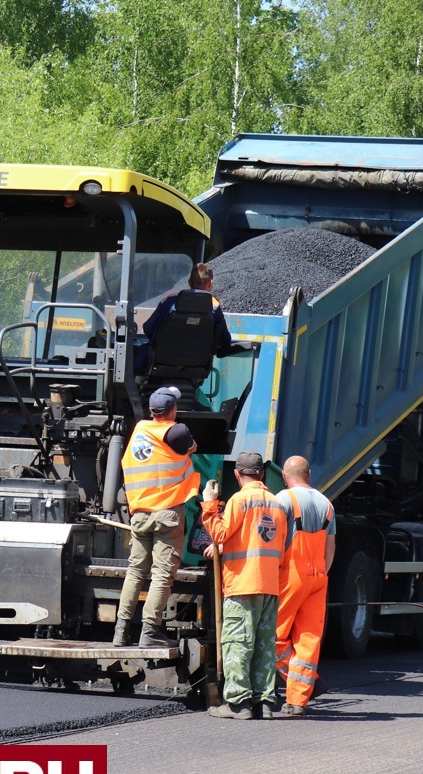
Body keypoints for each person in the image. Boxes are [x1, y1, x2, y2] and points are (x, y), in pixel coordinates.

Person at [200, 451, 288, 719]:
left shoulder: (239, 500)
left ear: (237, 474)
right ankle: (263, 702)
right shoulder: (277, 505)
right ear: (262, 474)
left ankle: (238, 703)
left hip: (242, 584)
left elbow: (220, 533)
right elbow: (273, 544)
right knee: (264, 644)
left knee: (238, 642)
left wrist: (209, 504)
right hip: (270, 585)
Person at [114, 386, 200, 648]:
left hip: (140, 512)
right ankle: (149, 631)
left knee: (136, 571)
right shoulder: (177, 431)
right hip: (166, 513)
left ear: (152, 411)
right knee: (162, 573)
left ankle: (121, 631)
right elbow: (191, 447)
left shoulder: (140, 429)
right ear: (173, 410)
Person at [274, 455, 336, 717]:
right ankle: (298, 700)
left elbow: (273, 542)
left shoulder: (283, 499)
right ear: (309, 473)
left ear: (285, 476)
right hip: (319, 576)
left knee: (272, 635)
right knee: (308, 639)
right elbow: (330, 548)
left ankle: (296, 680)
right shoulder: (327, 504)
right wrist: (320, 574)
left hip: (291, 575)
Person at [135, 263, 237, 373]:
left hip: (160, 364)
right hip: (197, 367)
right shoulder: (214, 307)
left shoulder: (169, 302)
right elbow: (225, 340)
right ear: (210, 283)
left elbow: (148, 329)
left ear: (189, 282)